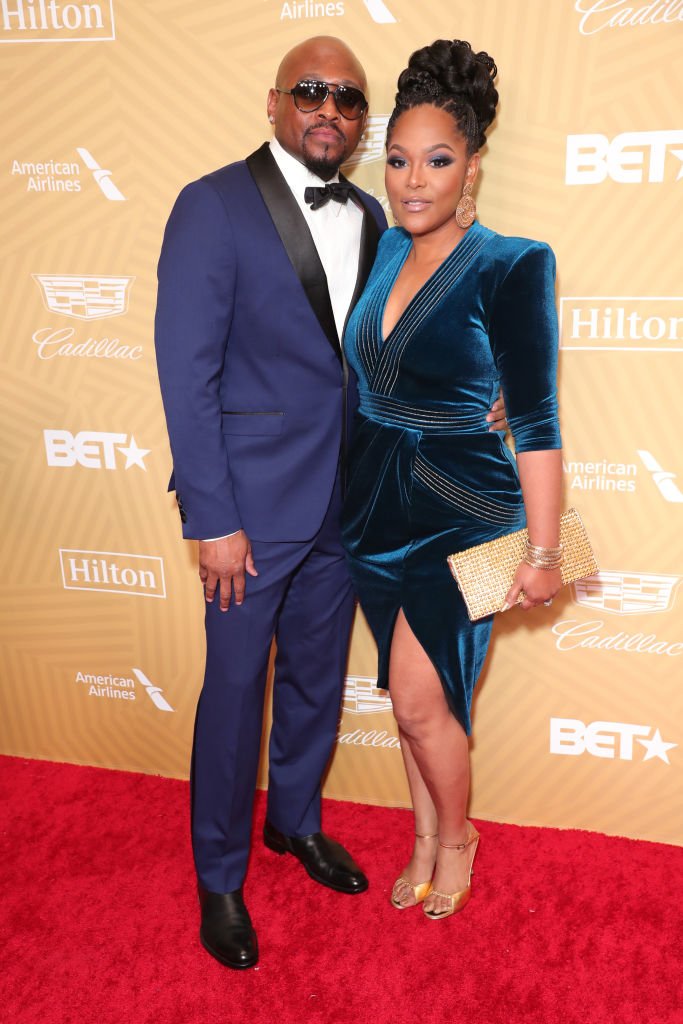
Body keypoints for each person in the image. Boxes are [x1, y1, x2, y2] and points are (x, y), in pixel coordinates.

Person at [155, 35, 508, 968]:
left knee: (315, 682)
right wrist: (213, 519)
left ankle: (296, 823)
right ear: (274, 102)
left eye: (348, 99)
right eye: (310, 92)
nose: (328, 110)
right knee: (236, 692)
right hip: (248, 512)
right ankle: (220, 876)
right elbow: (185, 375)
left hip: (349, 504)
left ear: (363, 122)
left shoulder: (374, 215)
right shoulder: (211, 206)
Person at [341, 39, 563, 921]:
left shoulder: (513, 264)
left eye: (436, 160)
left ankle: (458, 837)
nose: (411, 180)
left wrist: (542, 552)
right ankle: (423, 836)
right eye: (396, 160)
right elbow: (367, 377)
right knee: (407, 706)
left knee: (426, 700)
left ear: (472, 164)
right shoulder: (386, 253)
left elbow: (538, 423)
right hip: (371, 508)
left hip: (466, 513)